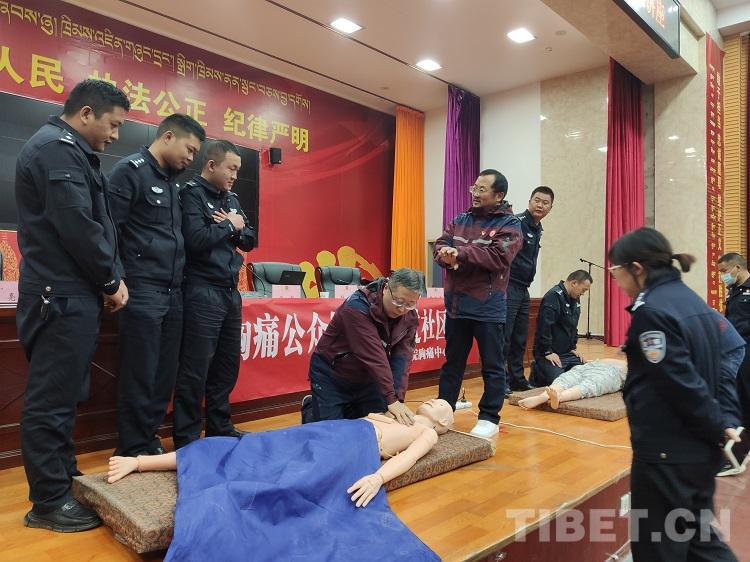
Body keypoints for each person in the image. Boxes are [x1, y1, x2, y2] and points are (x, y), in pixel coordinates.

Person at [108, 400, 454, 561]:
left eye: (441, 404)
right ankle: (140, 461)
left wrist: (377, 478)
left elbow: (408, 457)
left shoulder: (426, 433)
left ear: (443, 424)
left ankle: (216, 504)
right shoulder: (402, 413)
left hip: (349, 448)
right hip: (330, 432)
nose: (434, 399)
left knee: (286, 483)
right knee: (250, 447)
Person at [15, 79, 130, 532]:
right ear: (85, 113)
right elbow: (78, 226)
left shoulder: (70, 150)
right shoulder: (55, 150)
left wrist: (107, 278)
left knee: (64, 397)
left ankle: (61, 480)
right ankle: (47, 501)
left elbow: (96, 226)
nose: (115, 135)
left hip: (70, 293)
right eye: (113, 125)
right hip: (59, 294)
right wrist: (110, 280)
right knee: (51, 400)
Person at [608, 227, 742, 562]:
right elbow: (722, 366)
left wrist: (716, 422)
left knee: (658, 548)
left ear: (637, 268)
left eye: (615, 271)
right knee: (700, 544)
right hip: (697, 452)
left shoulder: (652, 311)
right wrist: (724, 419)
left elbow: (680, 383)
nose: (616, 280)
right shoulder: (692, 301)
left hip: (667, 455)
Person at [108, 114, 206, 457]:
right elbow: (111, 231)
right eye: (189, 149)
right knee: (141, 372)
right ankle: (132, 446)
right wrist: (115, 279)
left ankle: (148, 438)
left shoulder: (172, 183)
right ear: (167, 137)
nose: (191, 158)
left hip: (173, 291)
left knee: (164, 374)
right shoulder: (129, 172)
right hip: (142, 289)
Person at [172, 140, 256, 448]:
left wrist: (234, 227)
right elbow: (195, 239)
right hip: (201, 289)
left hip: (229, 292)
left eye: (238, 170)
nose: (235, 176)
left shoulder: (231, 199)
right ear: (211, 165)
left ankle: (220, 426)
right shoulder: (191, 195)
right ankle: (187, 437)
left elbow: (250, 239)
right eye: (231, 169)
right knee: (195, 368)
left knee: (226, 365)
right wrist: (230, 226)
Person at [434, 169, 522, 438]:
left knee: (492, 365)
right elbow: (442, 242)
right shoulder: (461, 219)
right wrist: (444, 254)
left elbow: (498, 257)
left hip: (488, 306)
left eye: (482, 189)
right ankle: (443, 411)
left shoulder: (510, 224)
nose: (475, 193)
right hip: (457, 305)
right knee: (452, 363)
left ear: (499, 195)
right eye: (474, 188)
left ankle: (489, 417)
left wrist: (460, 253)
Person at [303, 269, 421, 425]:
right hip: (333, 374)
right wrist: (390, 399)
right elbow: (374, 355)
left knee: (378, 423)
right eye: (398, 301)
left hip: (368, 377)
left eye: (410, 304)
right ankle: (311, 409)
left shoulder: (409, 317)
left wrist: (397, 399)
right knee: (332, 431)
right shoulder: (356, 307)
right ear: (386, 288)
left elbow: (402, 358)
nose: (402, 309)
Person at [504, 186, 554, 395]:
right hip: (508, 286)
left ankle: (517, 379)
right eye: (537, 200)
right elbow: (503, 253)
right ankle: (501, 381)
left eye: (545, 203)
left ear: (550, 208)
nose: (540, 205)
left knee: (520, 337)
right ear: (530, 201)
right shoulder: (516, 223)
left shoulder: (537, 228)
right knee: (505, 337)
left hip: (523, 288)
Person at [717, 252, 750, 475]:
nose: (722, 276)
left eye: (724, 271)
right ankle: (734, 446)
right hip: (735, 351)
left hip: (748, 351)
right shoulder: (734, 290)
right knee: (736, 396)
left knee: (745, 400)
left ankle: (738, 454)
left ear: (737, 268)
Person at [529, 270, 592, 388]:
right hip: (549, 353)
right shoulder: (553, 296)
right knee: (560, 382)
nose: (583, 293)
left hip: (566, 353)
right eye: (583, 290)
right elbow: (544, 326)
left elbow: (573, 326)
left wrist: (572, 348)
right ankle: (537, 370)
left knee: (587, 375)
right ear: (574, 283)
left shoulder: (575, 298)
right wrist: (547, 352)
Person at [518, 358, 627, 409]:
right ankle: (552, 397)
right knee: (585, 385)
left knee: (570, 381)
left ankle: (545, 396)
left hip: (602, 368)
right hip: (596, 367)